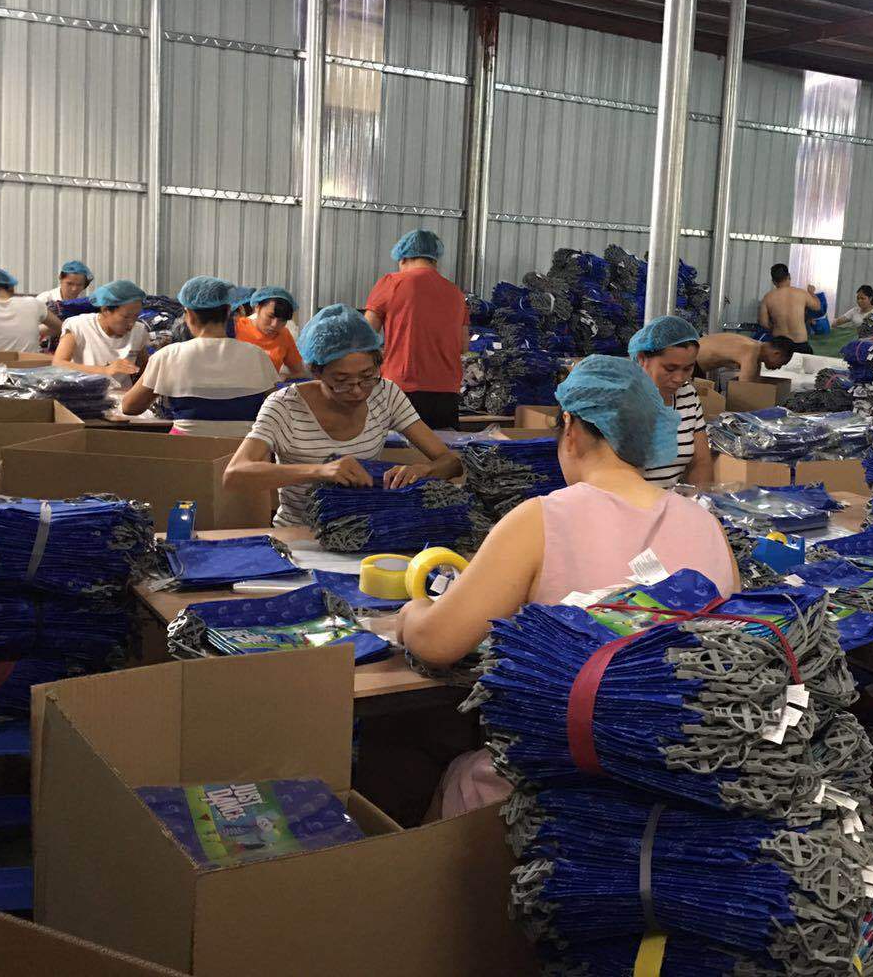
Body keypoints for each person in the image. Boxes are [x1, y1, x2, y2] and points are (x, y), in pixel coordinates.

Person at [399, 355, 741, 819]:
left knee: (463, 772)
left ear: (571, 428)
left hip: (570, 783)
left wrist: (411, 613)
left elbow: (437, 643)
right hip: (685, 779)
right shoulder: (706, 524)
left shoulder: (541, 520)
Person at [224, 303, 461, 528]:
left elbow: (451, 463)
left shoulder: (385, 394)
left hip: (363, 531)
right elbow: (236, 474)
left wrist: (423, 471)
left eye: (367, 376)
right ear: (316, 372)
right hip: (297, 532)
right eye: (341, 381)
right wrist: (320, 471)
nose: (357, 390)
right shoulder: (284, 406)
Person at [120, 276, 278, 437]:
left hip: (185, 448)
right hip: (243, 448)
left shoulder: (168, 356)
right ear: (227, 312)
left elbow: (130, 407)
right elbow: (276, 407)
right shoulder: (257, 356)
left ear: (189, 315)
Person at [364, 228, 470, 431]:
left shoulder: (392, 283)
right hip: (446, 391)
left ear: (403, 258)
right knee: (441, 447)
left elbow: (364, 336)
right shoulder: (456, 293)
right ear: (435, 260)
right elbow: (463, 346)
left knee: (398, 448)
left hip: (401, 388)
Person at [629, 315, 712, 489]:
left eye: (688, 368)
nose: (679, 378)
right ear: (642, 358)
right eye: (670, 368)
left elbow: (701, 462)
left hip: (670, 502)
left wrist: (698, 499)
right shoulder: (622, 399)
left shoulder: (688, 395)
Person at [53, 278, 149, 390]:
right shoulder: (79, 326)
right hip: (84, 393)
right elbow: (58, 364)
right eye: (126, 317)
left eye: (136, 316)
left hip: (122, 396)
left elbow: (145, 366)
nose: (131, 323)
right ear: (105, 310)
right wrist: (104, 370)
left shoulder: (139, 331)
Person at [236, 287, 309, 379]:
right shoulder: (237, 328)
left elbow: (300, 372)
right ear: (257, 307)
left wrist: (286, 376)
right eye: (270, 316)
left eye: (282, 320)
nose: (275, 325)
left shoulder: (284, 335)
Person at [758, 263, 820, 352]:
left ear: (773, 281)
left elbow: (763, 322)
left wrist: (776, 327)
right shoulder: (801, 294)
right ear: (789, 276)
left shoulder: (767, 298)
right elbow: (817, 307)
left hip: (779, 345)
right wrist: (811, 292)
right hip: (800, 343)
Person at [695, 331, 796, 383]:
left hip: (696, 363)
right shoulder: (751, 350)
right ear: (776, 353)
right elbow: (744, 388)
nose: (779, 367)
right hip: (692, 362)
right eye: (782, 363)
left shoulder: (756, 348)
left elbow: (755, 382)